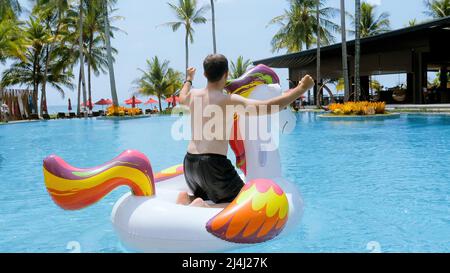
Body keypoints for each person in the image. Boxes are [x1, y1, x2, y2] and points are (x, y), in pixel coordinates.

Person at [176, 54, 315, 208]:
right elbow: (268, 107)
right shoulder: (229, 101)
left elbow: (181, 97)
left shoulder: (194, 95)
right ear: (226, 74)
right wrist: (301, 89)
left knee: (209, 194)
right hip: (214, 165)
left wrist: (189, 79)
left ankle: (188, 199)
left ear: (204, 74)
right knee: (246, 204)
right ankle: (202, 208)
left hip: (190, 164)